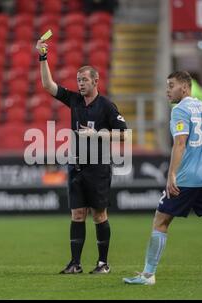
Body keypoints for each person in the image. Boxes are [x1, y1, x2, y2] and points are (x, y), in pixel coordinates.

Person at [123, 71, 202, 286]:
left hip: (186, 179)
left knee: (161, 222)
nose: (167, 90)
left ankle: (148, 275)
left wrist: (171, 174)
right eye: (167, 86)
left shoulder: (180, 110)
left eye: (171, 85)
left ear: (185, 87)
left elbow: (180, 144)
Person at [35, 38, 127, 274]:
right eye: (78, 80)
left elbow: (124, 135)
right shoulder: (74, 100)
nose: (80, 84)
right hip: (76, 166)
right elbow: (48, 85)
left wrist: (97, 134)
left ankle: (103, 263)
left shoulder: (107, 106)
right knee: (77, 215)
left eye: (84, 80)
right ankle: (75, 264)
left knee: (99, 215)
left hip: (98, 168)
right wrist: (43, 57)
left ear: (96, 81)